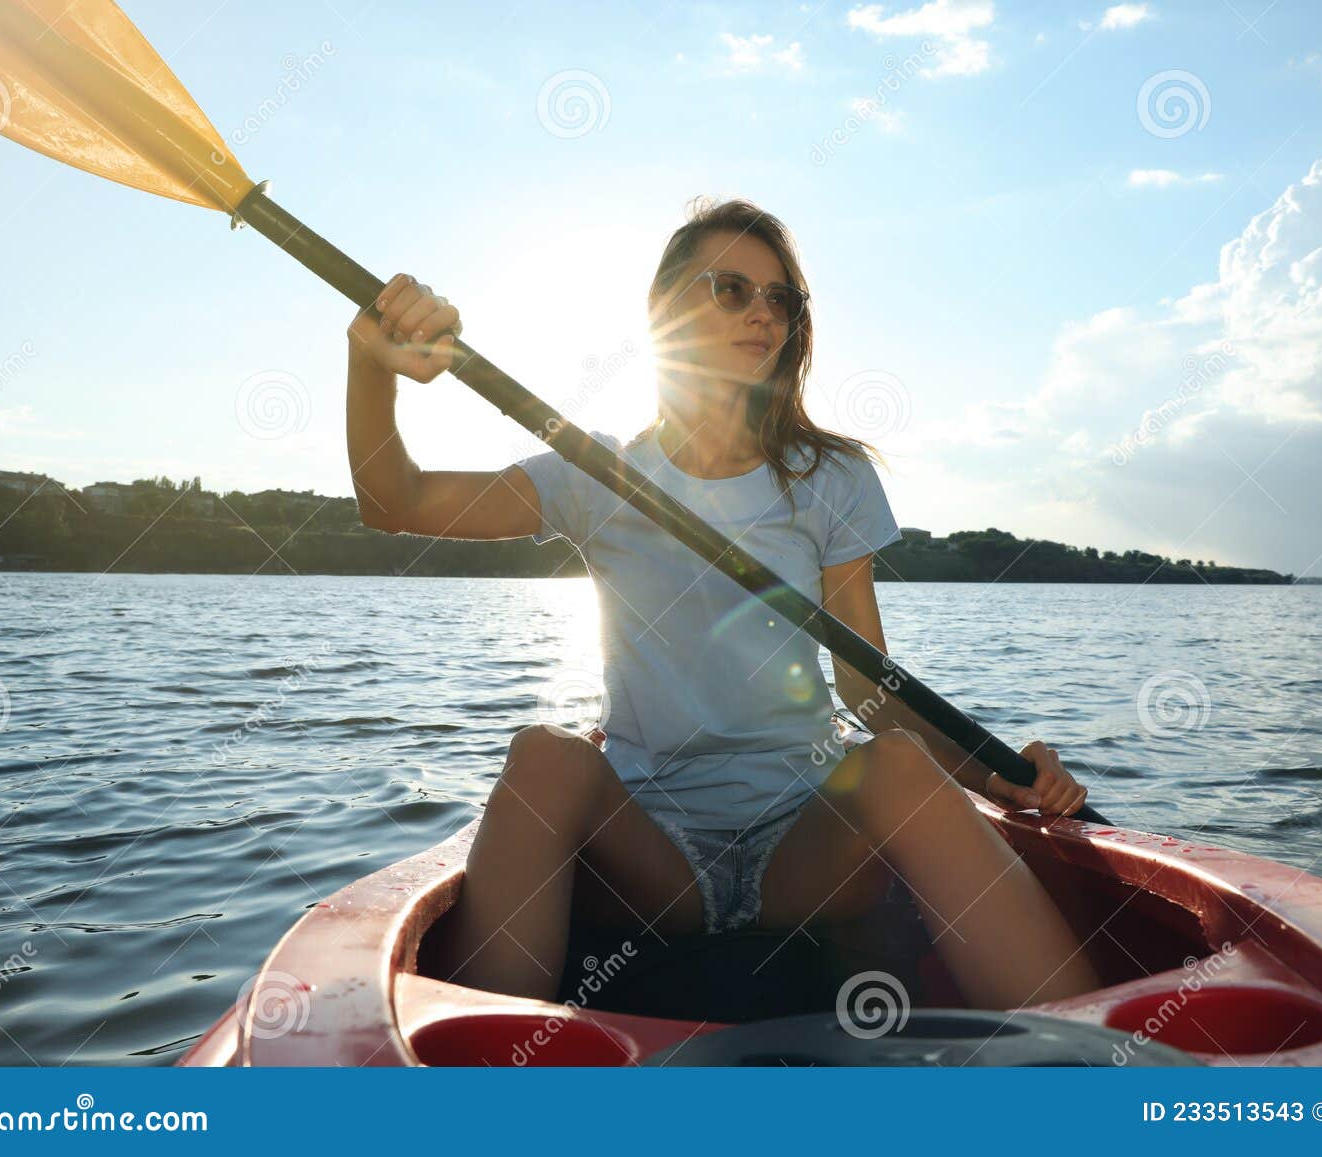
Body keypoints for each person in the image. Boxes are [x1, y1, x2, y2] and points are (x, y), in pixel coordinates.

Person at [344, 196, 1099, 1010]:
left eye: (783, 299)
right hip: (649, 860)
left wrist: (996, 776)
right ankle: (477, 1099)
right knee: (544, 756)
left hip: (804, 852)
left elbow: (867, 690)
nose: (764, 315)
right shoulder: (595, 470)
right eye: (731, 290)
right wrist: (371, 364)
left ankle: (1103, 1076)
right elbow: (397, 499)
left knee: (900, 766)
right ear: (668, 308)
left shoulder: (828, 477)